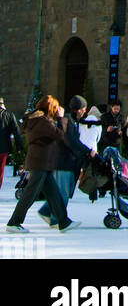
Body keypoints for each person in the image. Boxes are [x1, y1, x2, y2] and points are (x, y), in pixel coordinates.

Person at [5, 96, 80, 233]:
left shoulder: (37, 119)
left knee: (53, 193)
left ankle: (63, 222)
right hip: (40, 162)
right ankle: (14, 222)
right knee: (30, 194)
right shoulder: (41, 121)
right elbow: (60, 135)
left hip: (42, 162)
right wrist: (61, 118)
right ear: (50, 107)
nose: (57, 110)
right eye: (55, 107)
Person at [38, 95, 90, 228]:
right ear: (78, 109)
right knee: (63, 191)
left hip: (61, 160)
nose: (85, 111)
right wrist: (87, 151)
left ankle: (46, 211)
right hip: (63, 161)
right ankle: (57, 219)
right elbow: (71, 141)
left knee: (59, 190)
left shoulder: (68, 120)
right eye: (84, 109)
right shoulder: (67, 120)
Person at [0, 96, 21, 190]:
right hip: (3, 148)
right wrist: (19, 147)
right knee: (0, 171)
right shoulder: (9, 115)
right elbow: (16, 132)